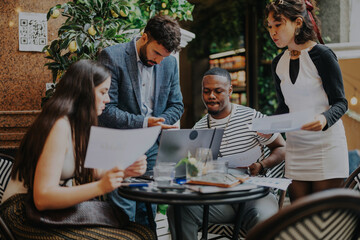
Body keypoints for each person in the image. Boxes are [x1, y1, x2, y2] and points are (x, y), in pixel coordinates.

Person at [1, 60, 155, 240]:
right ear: (85, 92)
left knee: (143, 233)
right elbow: (42, 198)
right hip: (23, 213)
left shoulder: (78, 126)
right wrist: (100, 187)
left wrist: (125, 171)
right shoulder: (58, 126)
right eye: (103, 92)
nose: (108, 99)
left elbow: (90, 171)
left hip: (49, 212)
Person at [167, 67, 286, 239]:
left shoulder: (252, 117)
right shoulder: (199, 128)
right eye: (206, 91)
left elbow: (281, 148)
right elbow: (191, 168)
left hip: (255, 196)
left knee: (263, 219)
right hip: (218, 200)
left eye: (218, 91)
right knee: (178, 209)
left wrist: (261, 165)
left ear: (230, 91)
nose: (211, 96)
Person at [97, 15, 184, 225]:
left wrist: (159, 122)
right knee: (123, 209)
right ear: (144, 37)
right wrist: (146, 122)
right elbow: (107, 110)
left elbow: (177, 105)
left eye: (164, 56)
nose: (158, 61)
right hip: (118, 144)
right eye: (156, 53)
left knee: (149, 208)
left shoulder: (169, 63)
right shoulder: (112, 56)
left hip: (152, 144)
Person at [265, 0, 349, 202]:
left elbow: (341, 103)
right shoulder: (278, 63)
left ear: (298, 23)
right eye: (269, 27)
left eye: (278, 25)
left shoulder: (323, 55)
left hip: (327, 148)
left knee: (325, 221)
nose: (273, 32)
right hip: (296, 150)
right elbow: (285, 107)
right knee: (300, 220)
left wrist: (324, 119)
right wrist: (269, 126)